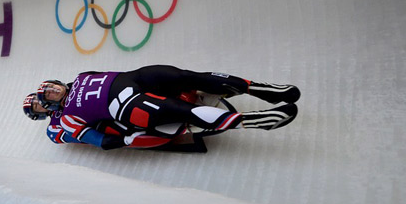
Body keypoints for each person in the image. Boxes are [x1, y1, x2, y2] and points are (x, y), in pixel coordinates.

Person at [23, 65, 300, 151]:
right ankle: (251, 120)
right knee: (180, 110)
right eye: (46, 95)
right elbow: (98, 139)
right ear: (47, 107)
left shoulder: (82, 76)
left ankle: (262, 89)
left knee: (186, 76)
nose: (51, 91)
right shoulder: (66, 118)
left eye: (50, 86)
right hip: (125, 106)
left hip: (135, 78)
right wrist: (125, 140)